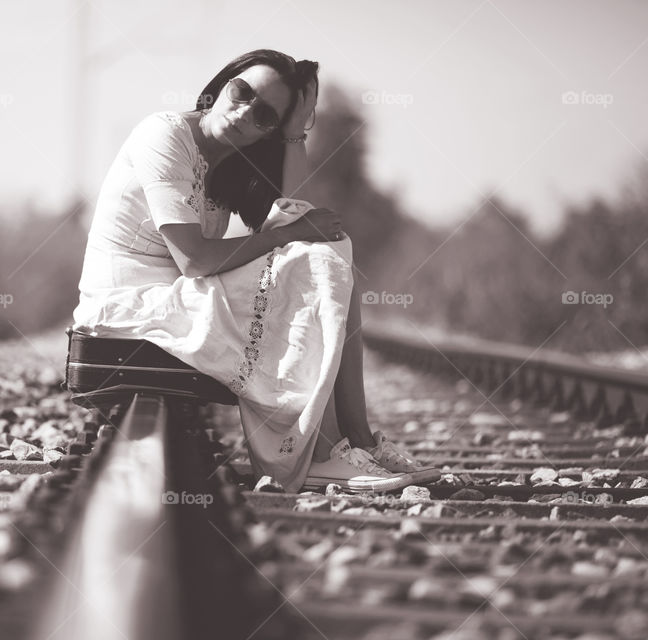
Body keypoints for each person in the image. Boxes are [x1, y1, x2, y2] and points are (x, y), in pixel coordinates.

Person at [71, 49, 440, 493]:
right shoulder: (164, 134)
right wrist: (288, 235)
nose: (245, 111)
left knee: (330, 249)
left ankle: (356, 438)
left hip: (175, 298)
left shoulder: (229, 164)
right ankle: (320, 453)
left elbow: (292, 212)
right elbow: (197, 260)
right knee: (316, 258)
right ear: (222, 84)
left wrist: (293, 134)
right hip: (128, 307)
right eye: (241, 91)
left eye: (264, 115)